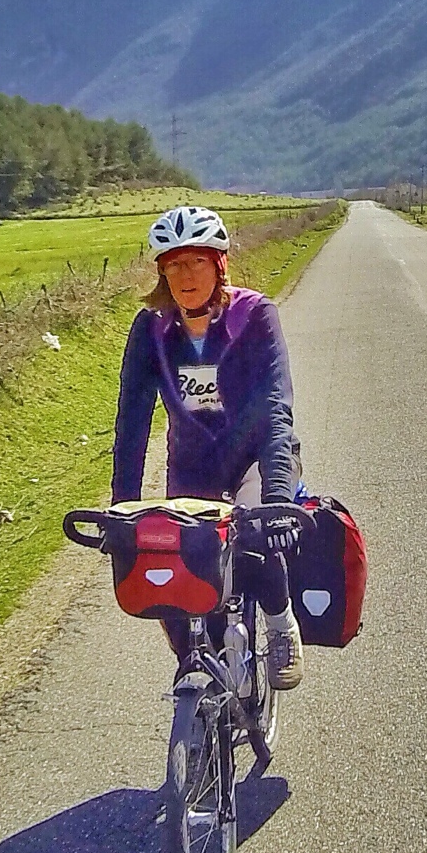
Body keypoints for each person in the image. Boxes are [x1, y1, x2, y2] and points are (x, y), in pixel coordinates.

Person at [110, 203, 305, 689]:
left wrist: (278, 500)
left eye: (196, 260)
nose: (184, 274)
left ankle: (281, 624)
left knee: (255, 539)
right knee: (178, 574)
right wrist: (123, 509)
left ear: (218, 264)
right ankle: (196, 674)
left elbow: (277, 412)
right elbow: (132, 423)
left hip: (255, 460)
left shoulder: (254, 316)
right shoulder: (152, 330)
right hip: (192, 468)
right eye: (173, 264)